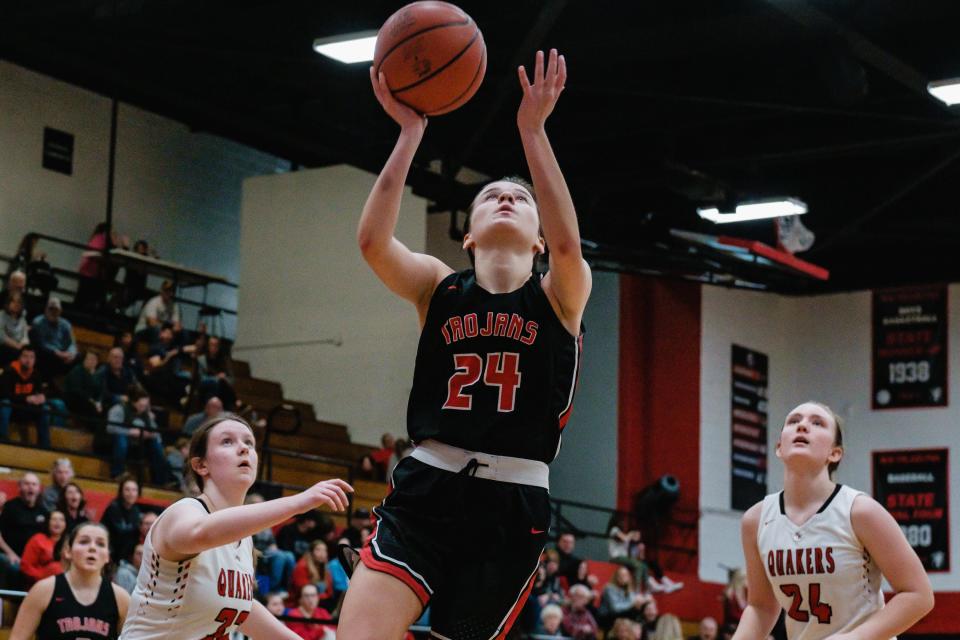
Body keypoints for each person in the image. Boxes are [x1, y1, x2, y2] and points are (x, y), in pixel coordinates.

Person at [339, 48, 590, 640]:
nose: (506, 198)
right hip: (429, 485)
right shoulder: (436, 286)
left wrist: (533, 131)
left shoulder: (560, 295)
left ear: (538, 242)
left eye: (521, 199)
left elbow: (571, 247)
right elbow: (374, 242)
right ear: (470, 235)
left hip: (513, 504)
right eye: (490, 197)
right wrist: (409, 133)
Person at [118, 413, 352, 639]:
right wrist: (299, 502)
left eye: (249, 442)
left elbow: (239, 608)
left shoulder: (243, 537)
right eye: (227, 441)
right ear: (201, 465)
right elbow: (201, 533)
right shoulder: (184, 511)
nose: (244, 448)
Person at [732, 401, 934, 640]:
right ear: (779, 447)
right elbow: (761, 607)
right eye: (794, 421)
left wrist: (854, 638)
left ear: (834, 453)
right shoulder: (756, 520)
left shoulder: (860, 511)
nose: (803, 426)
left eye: (817, 423)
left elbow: (918, 595)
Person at [9, 522, 129, 640]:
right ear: (68, 551)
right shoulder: (43, 590)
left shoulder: (121, 598)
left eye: (100, 544)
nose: (92, 548)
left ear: (107, 555)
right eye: (84, 542)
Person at [106, 387, 168, 484]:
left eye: (145, 406)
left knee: (156, 445)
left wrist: (149, 434)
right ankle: (117, 473)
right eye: (141, 405)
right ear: (133, 402)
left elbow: (156, 432)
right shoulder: (119, 409)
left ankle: (160, 481)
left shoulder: (146, 413)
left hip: (141, 444)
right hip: (121, 442)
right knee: (121, 440)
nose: (143, 408)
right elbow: (111, 428)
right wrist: (130, 432)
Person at [0, 473, 48, 587]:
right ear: (20, 487)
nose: (30, 487)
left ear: (38, 489)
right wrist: (10, 554)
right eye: (26, 484)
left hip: (35, 562)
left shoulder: (44, 511)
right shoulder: (9, 507)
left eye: (34, 484)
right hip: (12, 556)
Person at [0, 345, 51, 448]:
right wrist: (26, 398)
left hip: (26, 408)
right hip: (13, 408)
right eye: (25, 356)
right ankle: (2, 441)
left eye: (31, 357)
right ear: (19, 358)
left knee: (45, 409)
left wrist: (42, 397)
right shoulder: (9, 371)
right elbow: (4, 394)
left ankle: (44, 446)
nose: (28, 360)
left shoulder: (36, 374)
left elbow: (41, 391)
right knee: (5, 405)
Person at [247, 493, 297, 594]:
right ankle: (273, 588)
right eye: (255, 503)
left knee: (289, 556)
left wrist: (273, 549)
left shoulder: (265, 521)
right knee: (280, 557)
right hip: (255, 551)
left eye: (261, 504)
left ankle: (287, 587)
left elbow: (272, 542)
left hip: (267, 551)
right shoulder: (246, 520)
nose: (259, 506)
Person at [101, 475, 142, 566]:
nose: (131, 493)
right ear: (121, 492)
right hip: (111, 554)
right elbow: (121, 531)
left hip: (127, 557)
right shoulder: (113, 508)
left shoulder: (136, 510)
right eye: (127, 490)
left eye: (134, 490)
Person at [30, 297, 77, 377]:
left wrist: (71, 354)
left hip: (63, 353)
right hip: (47, 352)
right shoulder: (38, 322)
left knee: (77, 357)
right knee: (45, 354)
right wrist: (57, 352)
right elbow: (42, 343)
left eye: (56, 309)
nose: (53, 312)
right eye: (51, 309)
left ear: (60, 311)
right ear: (45, 309)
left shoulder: (66, 324)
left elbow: (72, 343)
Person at [20, 510, 67, 585]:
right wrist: (43, 577)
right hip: (41, 584)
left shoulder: (69, 542)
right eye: (54, 519)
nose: (57, 522)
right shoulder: (37, 539)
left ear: (65, 524)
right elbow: (25, 566)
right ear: (48, 522)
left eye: (61, 520)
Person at [63, 351, 103, 426]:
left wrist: (98, 402)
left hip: (89, 402)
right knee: (91, 408)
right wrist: (91, 401)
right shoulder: (77, 371)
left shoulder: (97, 375)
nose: (92, 361)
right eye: (89, 359)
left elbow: (100, 391)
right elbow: (76, 391)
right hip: (75, 401)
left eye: (94, 359)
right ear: (84, 360)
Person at [196, 335, 236, 410]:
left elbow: (232, 380)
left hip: (221, 388)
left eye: (216, 345)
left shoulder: (224, 361)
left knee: (221, 385)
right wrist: (216, 378)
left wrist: (224, 378)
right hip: (206, 387)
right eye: (211, 345)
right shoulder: (202, 360)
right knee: (217, 386)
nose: (213, 348)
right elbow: (201, 379)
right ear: (208, 346)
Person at [0, 292, 30, 365]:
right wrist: (17, 346)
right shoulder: (1, 315)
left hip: (19, 347)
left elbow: (25, 336)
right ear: (8, 303)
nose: (16, 304)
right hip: (5, 346)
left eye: (19, 302)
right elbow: (2, 336)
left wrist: (24, 346)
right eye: (13, 301)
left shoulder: (22, 318)